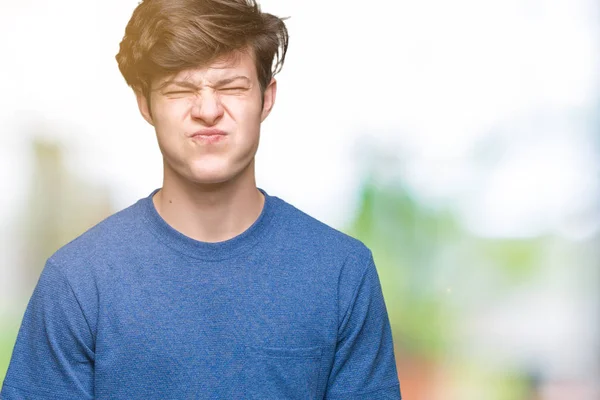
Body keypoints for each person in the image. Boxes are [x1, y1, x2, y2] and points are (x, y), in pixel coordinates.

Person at [0, 0, 401, 398]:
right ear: (145, 103)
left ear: (266, 97)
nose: (208, 110)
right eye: (180, 89)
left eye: (231, 86)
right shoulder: (78, 281)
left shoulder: (341, 273)